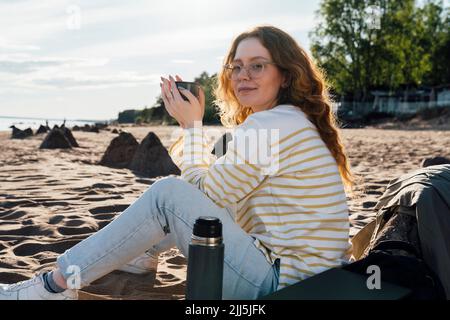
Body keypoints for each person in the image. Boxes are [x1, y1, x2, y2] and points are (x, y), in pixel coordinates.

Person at [0, 25, 353, 300]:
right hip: (310, 278)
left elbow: (202, 194)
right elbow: (220, 189)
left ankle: (54, 286)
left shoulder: (271, 125)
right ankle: (143, 254)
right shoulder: (288, 120)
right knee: (197, 185)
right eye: (237, 66)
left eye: (258, 66)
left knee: (167, 194)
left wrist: (190, 127)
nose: (244, 75)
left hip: (283, 284)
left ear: (285, 75)